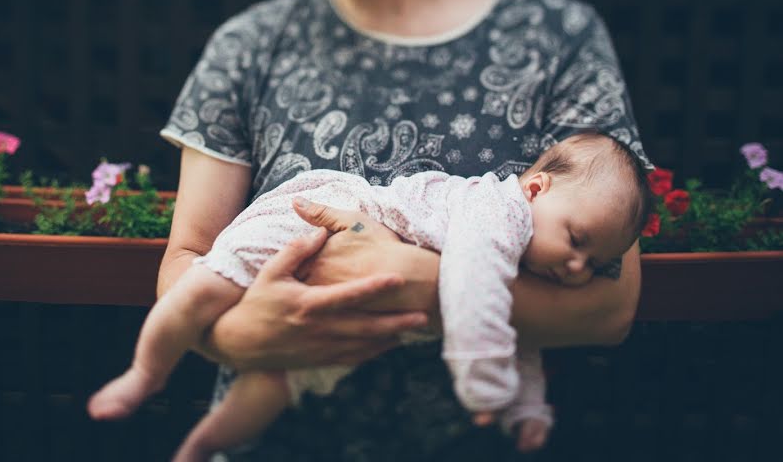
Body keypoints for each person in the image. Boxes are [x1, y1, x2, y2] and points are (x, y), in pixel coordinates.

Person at [154, 0, 652, 458]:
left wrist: (409, 281)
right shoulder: (249, 45)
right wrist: (236, 335)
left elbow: (610, 307)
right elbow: (185, 258)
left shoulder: (558, 39)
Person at [88, 133, 652, 461]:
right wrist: (487, 387)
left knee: (278, 384)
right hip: (325, 218)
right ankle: (145, 371)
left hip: (358, 302)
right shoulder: (499, 213)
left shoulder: (526, 251)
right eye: (576, 240)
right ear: (536, 188)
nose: (576, 266)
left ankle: (199, 448)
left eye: (593, 261)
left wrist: (525, 407)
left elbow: (512, 329)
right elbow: (474, 291)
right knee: (212, 282)